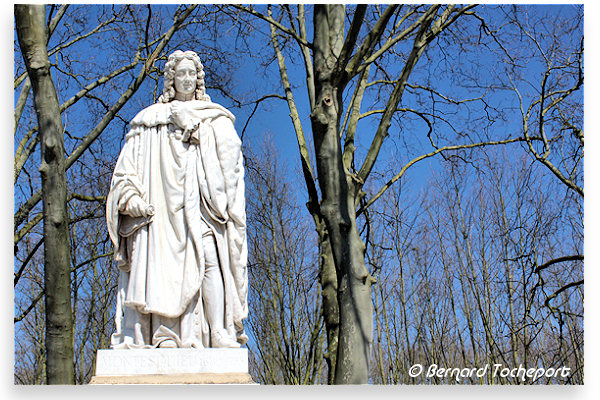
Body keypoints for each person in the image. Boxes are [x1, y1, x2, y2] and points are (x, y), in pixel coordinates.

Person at [106, 50, 248, 349]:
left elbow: (230, 160)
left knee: (211, 262)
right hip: (161, 214)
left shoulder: (214, 117)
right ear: (171, 79)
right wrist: (130, 198)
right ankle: (164, 335)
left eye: (191, 74)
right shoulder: (148, 120)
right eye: (180, 73)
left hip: (202, 206)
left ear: (199, 79)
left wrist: (197, 131)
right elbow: (126, 171)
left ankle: (218, 330)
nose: (186, 79)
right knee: (162, 269)